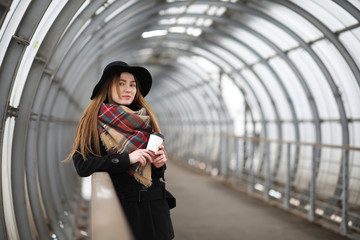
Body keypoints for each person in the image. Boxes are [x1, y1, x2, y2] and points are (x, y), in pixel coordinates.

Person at [65, 61, 175, 240]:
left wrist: (159, 165)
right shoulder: (93, 122)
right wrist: (126, 159)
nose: (128, 89)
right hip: (124, 212)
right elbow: (82, 166)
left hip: (155, 212)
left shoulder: (144, 119)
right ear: (108, 87)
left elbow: (153, 172)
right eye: (121, 83)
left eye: (132, 85)